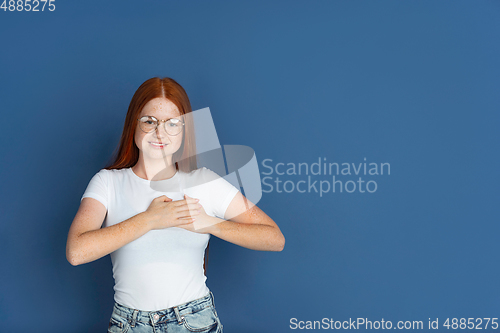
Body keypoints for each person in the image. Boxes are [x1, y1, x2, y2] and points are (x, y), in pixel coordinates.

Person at [66, 77, 285, 333]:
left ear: (184, 130)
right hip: (129, 324)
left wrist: (211, 224)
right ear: (133, 125)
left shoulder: (204, 182)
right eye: (150, 121)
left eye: (172, 124)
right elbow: (76, 252)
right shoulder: (107, 182)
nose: (160, 132)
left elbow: (274, 238)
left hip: (193, 322)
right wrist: (149, 220)